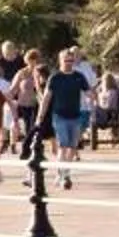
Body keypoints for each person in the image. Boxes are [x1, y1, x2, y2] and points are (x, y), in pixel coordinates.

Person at [44, 47, 93, 189]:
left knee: (72, 147)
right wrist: (40, 116)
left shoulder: (79, 76)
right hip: (59, 116)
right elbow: (47, 97)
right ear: (60, 61)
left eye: (71, 61)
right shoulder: (55, 77)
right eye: (66, 61)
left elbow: (88, 92)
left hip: (76, 116)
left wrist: (93, 98)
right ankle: (63, 176)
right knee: (63, 146)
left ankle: (65, 173)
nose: (69, 63)